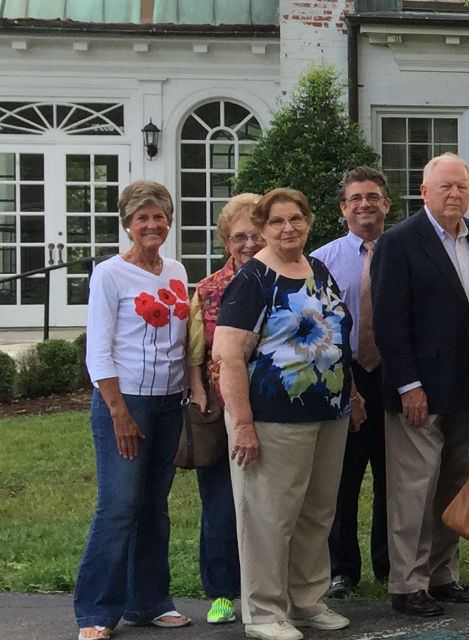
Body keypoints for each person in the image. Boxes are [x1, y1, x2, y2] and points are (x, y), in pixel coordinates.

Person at [212, 187, 356, 640]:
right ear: (263, 228)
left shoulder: (319, 269)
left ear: (309, 221)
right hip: (272, 418)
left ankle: (308, 601)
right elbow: (228, 355)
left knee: (315, 513)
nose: (287, 228)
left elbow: (336, 335)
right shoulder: (254, 279)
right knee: (269, 516)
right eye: (276, 222)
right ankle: (264, 610)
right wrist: (243, 424)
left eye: (295, 218)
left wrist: (353, 397)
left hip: (330, 413)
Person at [371, 153, 469, 618]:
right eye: (444, 187)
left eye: (461, 187)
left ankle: (444, 577)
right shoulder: (399, 242)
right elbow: (387, 321)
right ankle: (408, 584)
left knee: (454, 484)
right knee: (413, 490)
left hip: (468, 386)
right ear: (424, 192)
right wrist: (408, 385)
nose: (454, 195)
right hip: (418, 390)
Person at [74, 181, 194, 640]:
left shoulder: (177, 271)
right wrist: (118, 410)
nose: (152, 224)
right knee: (119, 506)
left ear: (168, 221)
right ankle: (96, 612)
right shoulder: (109, 274)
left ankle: (150, 603)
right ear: (127, 224)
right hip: (126, 403)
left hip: (169, 402)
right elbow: (98, 350)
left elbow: (183, 341)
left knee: (153, 506)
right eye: (142, 217)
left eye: (159, 216)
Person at [183, 192, 263, 625]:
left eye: (255, 234)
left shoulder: (280, 279)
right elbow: (195, 352)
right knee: (219, 504)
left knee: (268, 505)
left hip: (272, 407)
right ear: (225, 241)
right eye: (239, 237)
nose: (248, 244)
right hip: (221, 408)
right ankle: (222, 592)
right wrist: (199, 392)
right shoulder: (208, 289)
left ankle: (267, 588)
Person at [313, 168, 392, 600]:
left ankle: (389, 564)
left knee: (392, 476)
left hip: (394, 376)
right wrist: (348, 387)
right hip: (342, 374)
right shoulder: (320, 260)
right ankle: (340, 569)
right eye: (356, 198)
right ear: (343, 208)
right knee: (341, 478)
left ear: (386, 204)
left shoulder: (401, 252)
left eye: (373, 197)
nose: (365, 204)